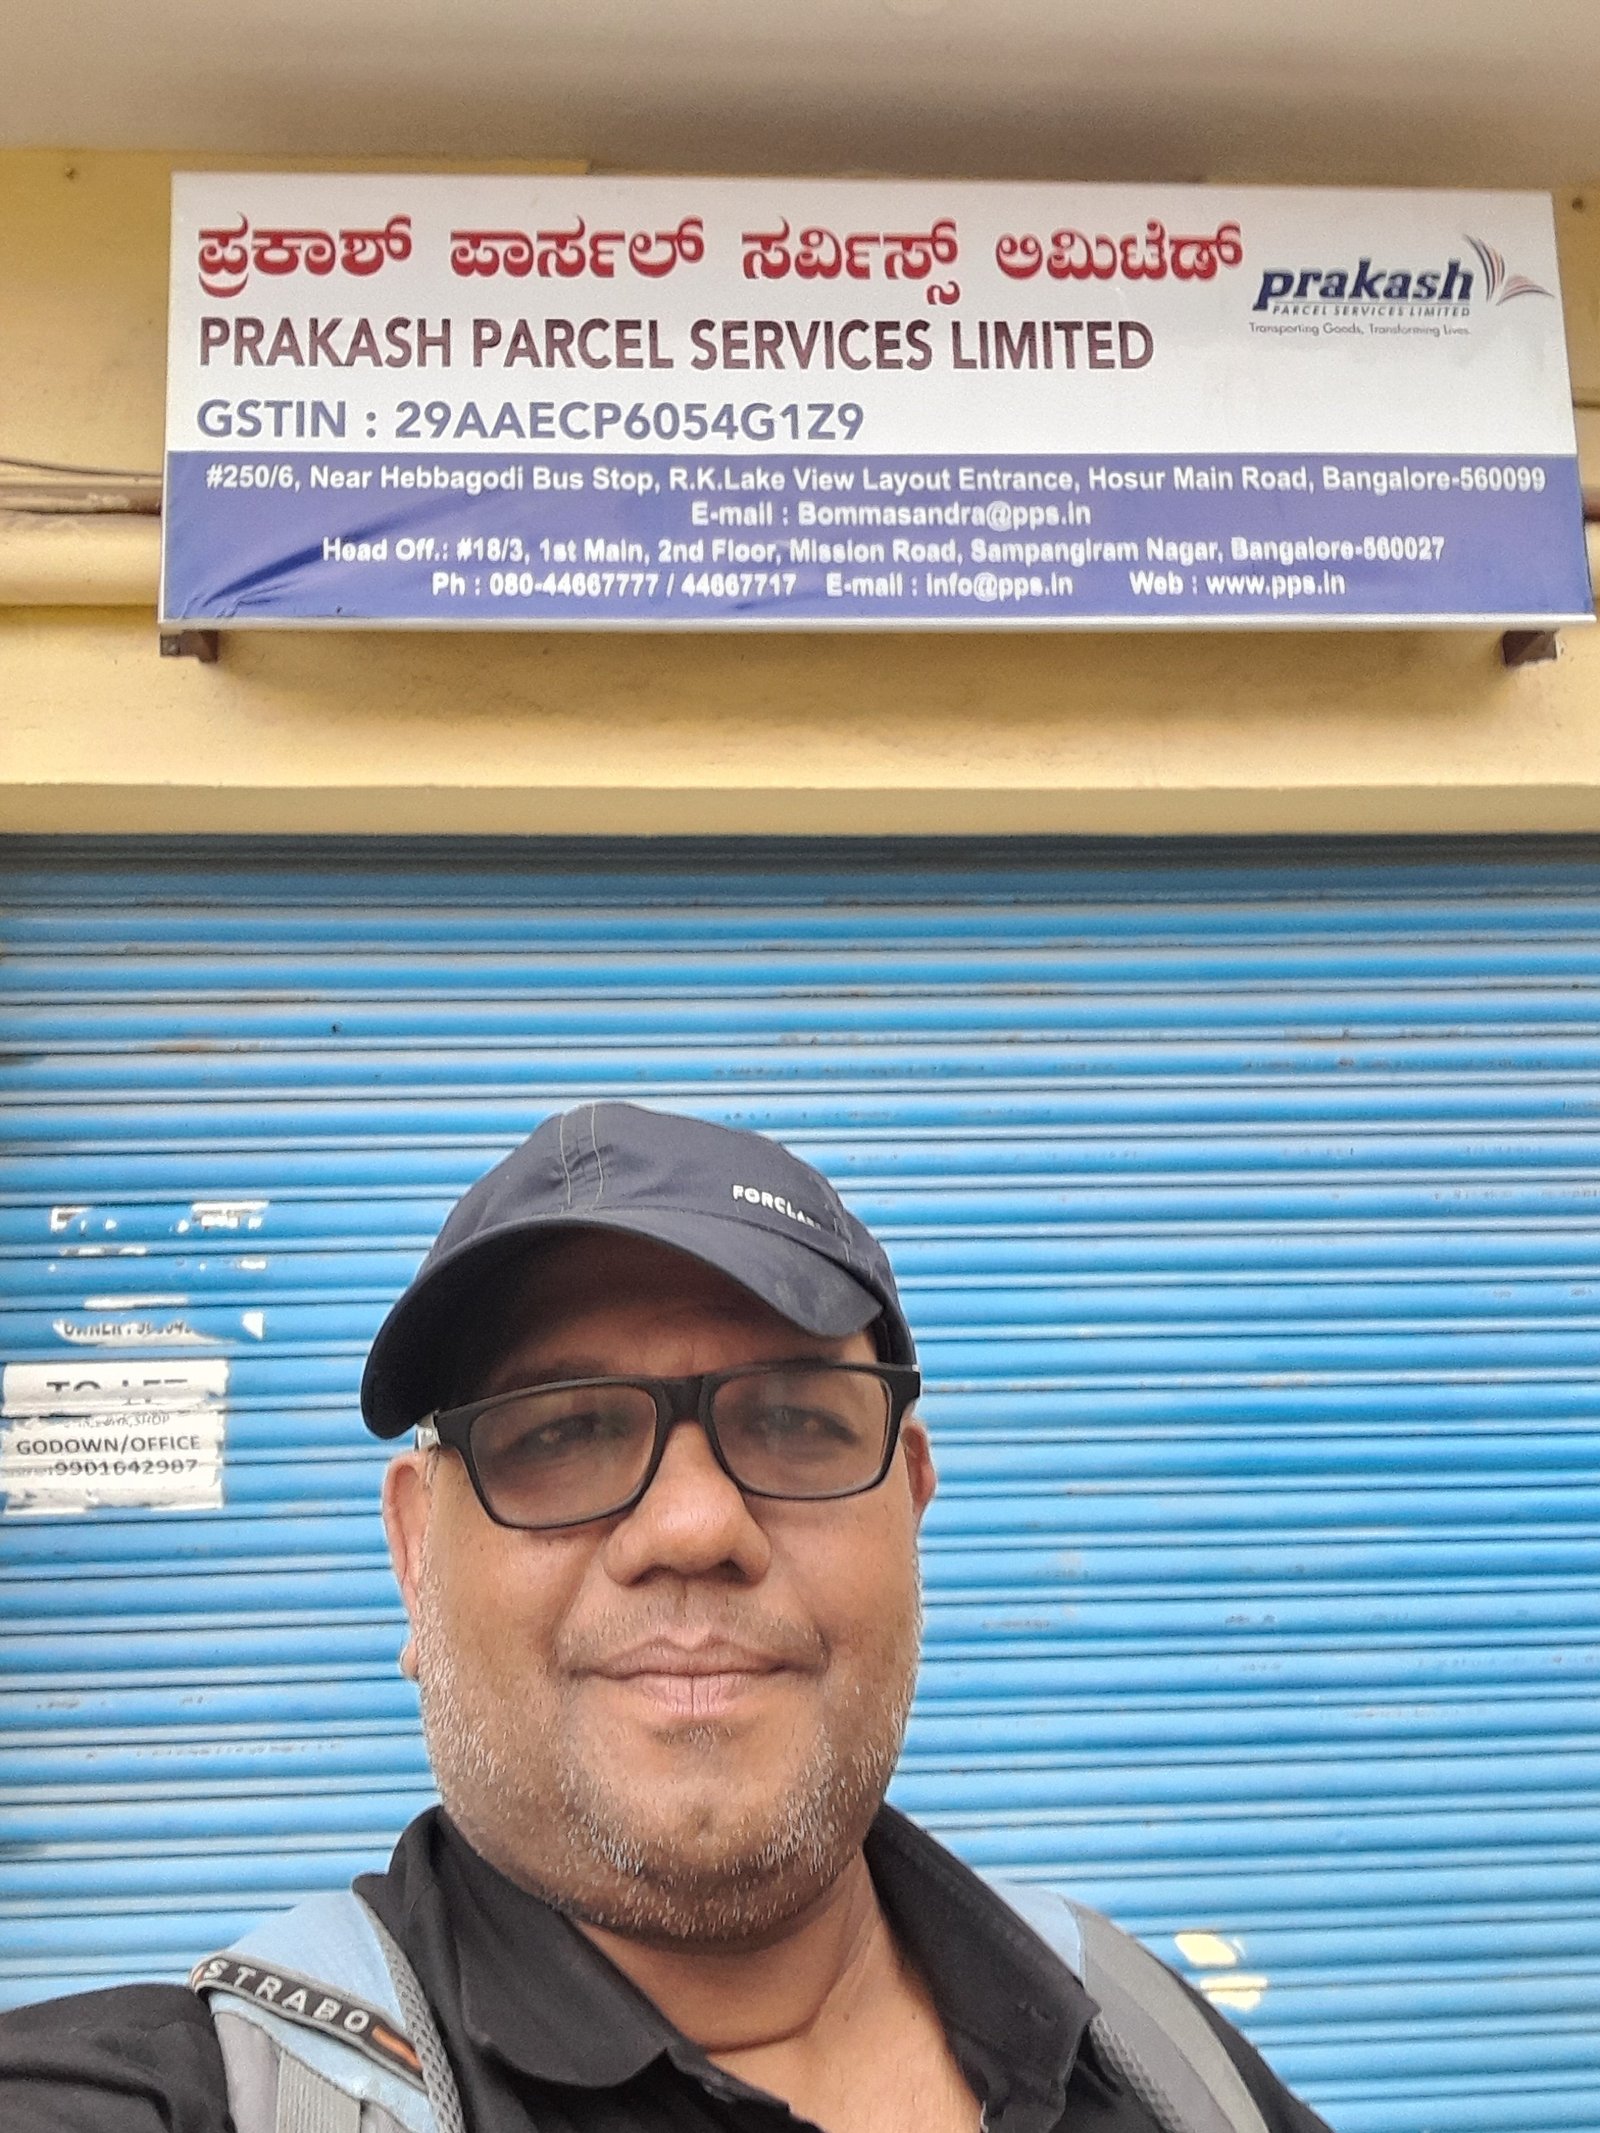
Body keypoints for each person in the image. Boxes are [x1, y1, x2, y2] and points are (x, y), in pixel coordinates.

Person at [0, 1102, 1332, 2133]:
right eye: (561, 1432)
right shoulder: (183, 2097)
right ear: (415, 1551)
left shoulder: (1157, 2051)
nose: (695, 1527)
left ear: (912, 1506)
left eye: (795, 1420)